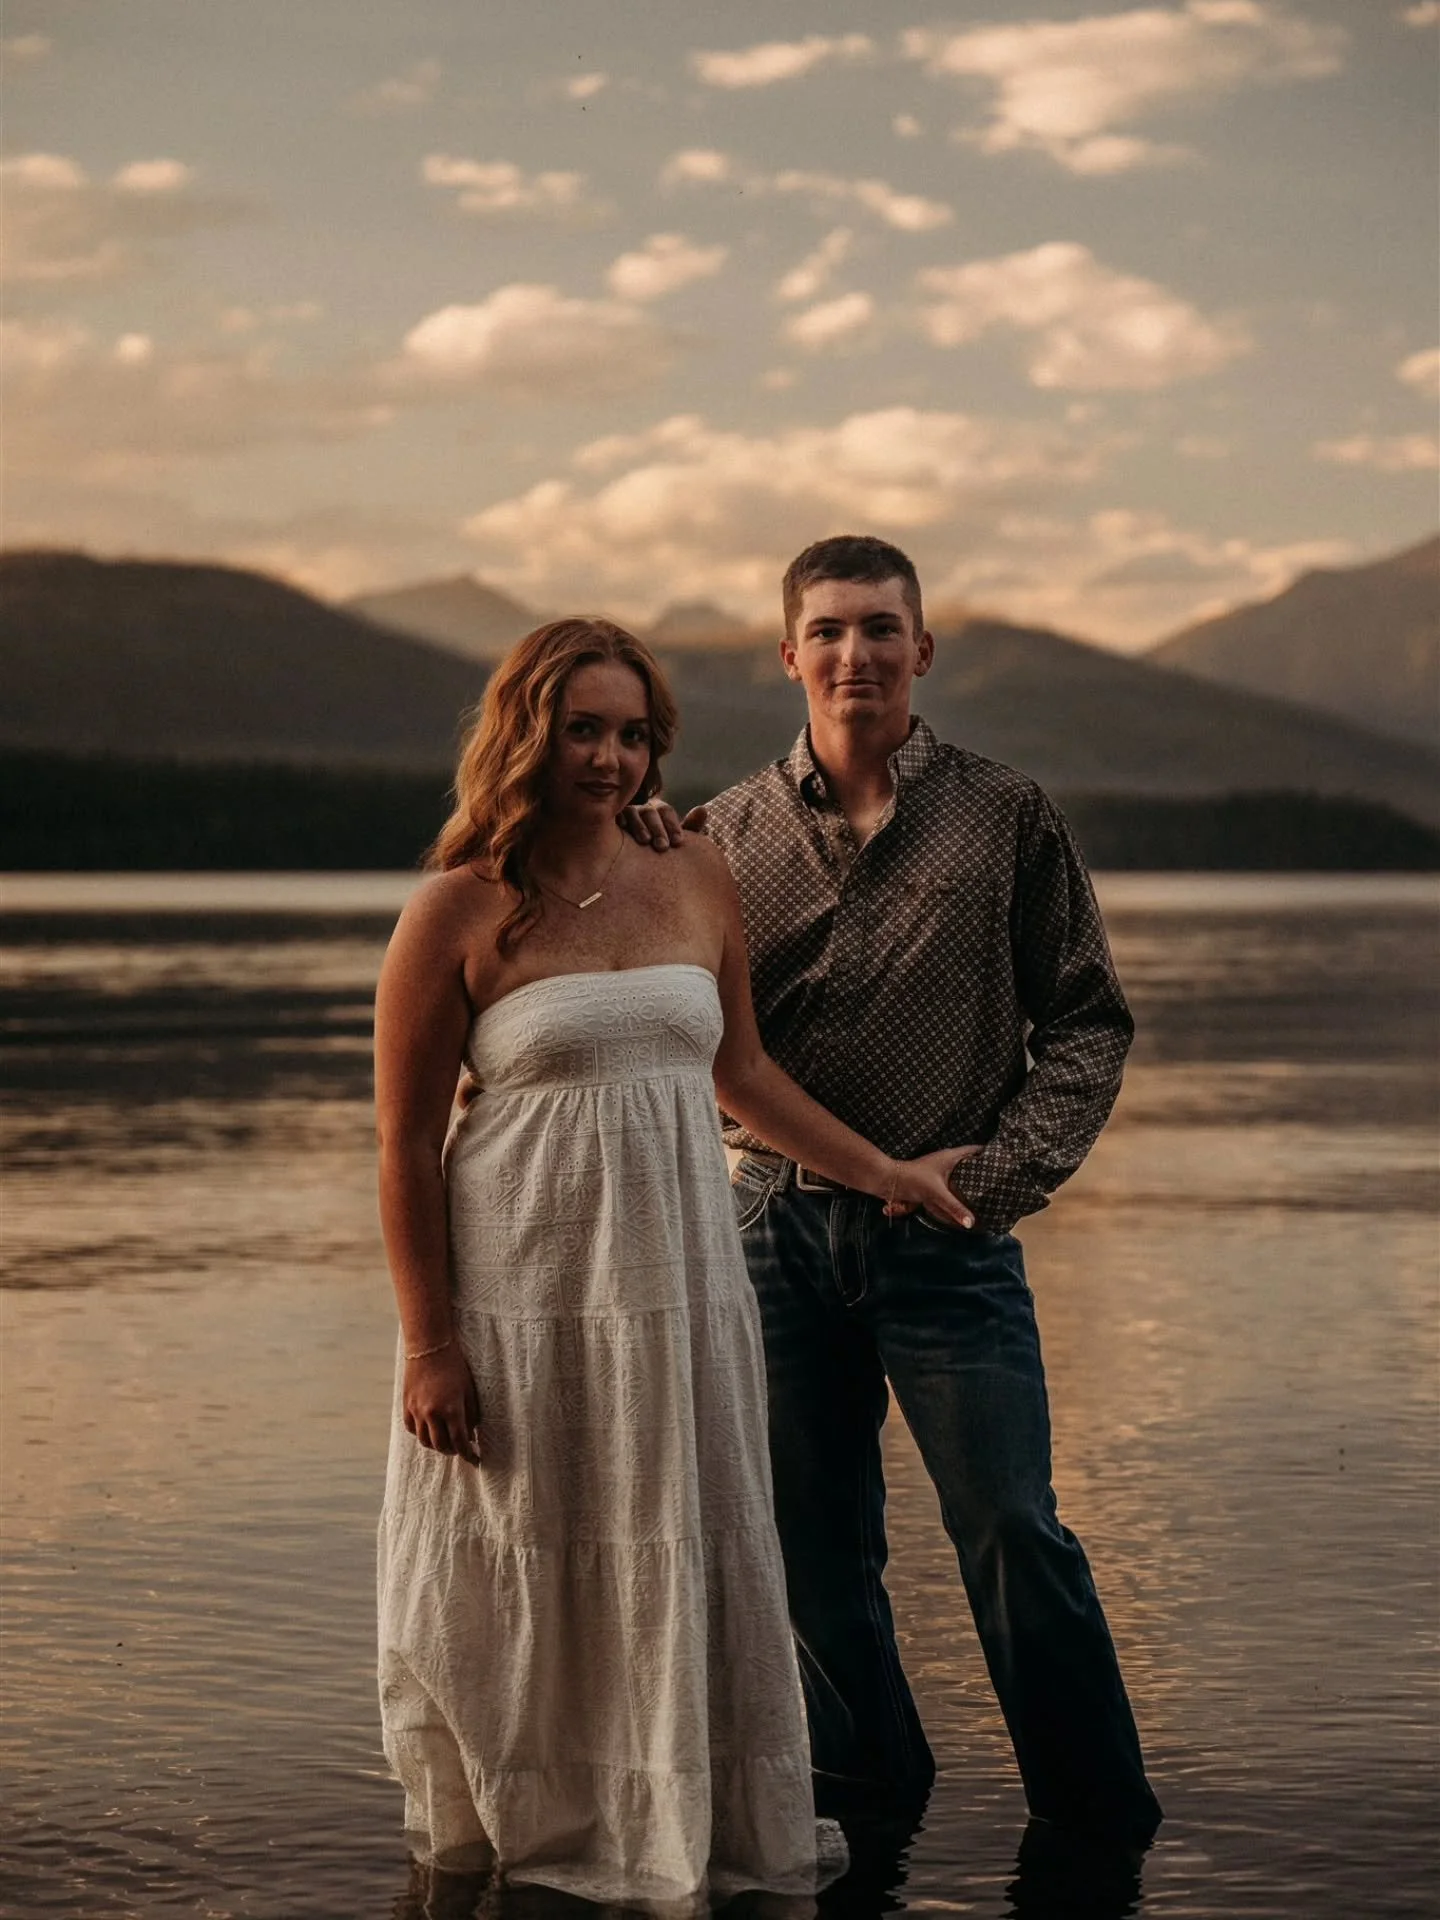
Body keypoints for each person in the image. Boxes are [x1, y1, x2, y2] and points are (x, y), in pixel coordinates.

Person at [372, 616, 973, 1912]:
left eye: (634, 733)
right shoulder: (456, 908)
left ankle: (667, 1818)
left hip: (682, 1288)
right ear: (526, 732)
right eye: (582, 728)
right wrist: (430, 1345)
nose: (609, 757)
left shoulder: (695, 866)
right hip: (523, 1296)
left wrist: (887, 1171)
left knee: (669, 1542)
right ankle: (532, 1827)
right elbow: (406, 1142)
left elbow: (742, 1073)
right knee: (533, 1551)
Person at [626, 536, 1164, 1849]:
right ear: (790, 654)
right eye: (830, 631)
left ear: (921, 649)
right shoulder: (716, 839)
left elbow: (1088, 1024)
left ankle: (1100, 1832)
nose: (855, 653)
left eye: (881, 629)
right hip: (769, 1238)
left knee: (1014, 1534)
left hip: (949, 1241)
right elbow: (671, 1024)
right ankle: (870, 1815)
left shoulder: (1005, 815)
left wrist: (989, 1178)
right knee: (814, 1559)